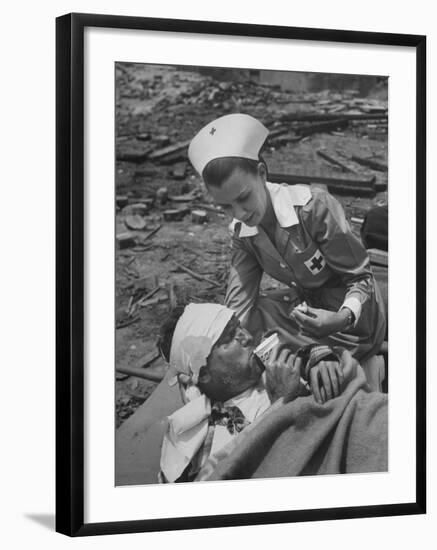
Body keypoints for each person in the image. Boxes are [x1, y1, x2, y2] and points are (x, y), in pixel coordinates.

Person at [188, 114, 386, 364]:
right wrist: (219, 347)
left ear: (261, 173)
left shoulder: (313, 208)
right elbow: (240, 303)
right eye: (226, 207)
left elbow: (360, 277)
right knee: (251, 317)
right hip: (307, 311)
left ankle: (315, 354)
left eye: (244, 197)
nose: (239, 213)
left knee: (285, 350)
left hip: (353, 317)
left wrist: (341, 317)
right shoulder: (242, 234)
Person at [158, 303, 367, 483]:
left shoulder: (275, 365)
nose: (248, 337)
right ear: (203, 374)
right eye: (231, 338)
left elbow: (350, 384)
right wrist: (281, 406)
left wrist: (321, 357)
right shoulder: (200, 441)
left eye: (239, 326)